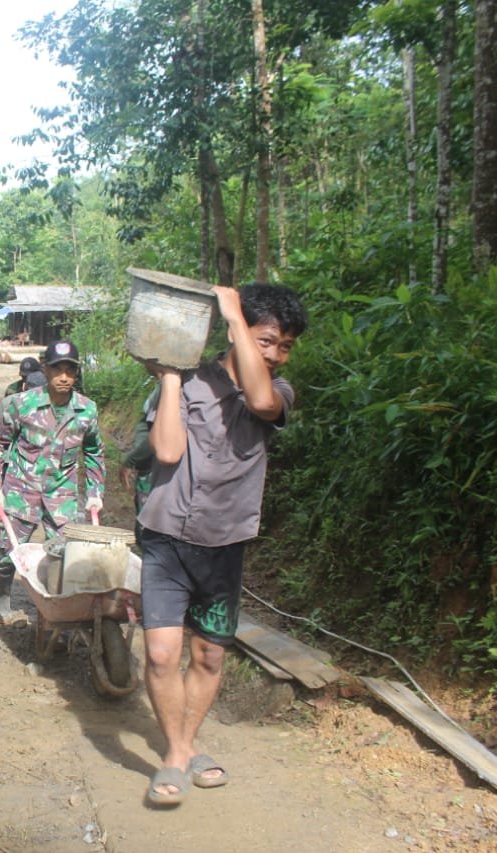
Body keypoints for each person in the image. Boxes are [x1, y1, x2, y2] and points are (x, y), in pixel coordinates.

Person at [137, 284, 307, 807]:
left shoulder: (281, 393)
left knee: (209, 655)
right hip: (167, 537)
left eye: (284, 346)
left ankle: (184, 748)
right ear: (238, 335)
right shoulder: (188, 380)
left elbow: (259, 399)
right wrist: (169, 376)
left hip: (225, 543)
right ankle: (176, 755)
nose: (275, 355)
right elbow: (166, 449)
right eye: (266, 341)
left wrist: (235, 318)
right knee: (163, 655)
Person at [0, 340, 105, 626]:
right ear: (45, 370)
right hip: (20, 490)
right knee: (7, 552)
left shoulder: (86, 410)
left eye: (70, 370)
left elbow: (95, 451)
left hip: (62, 495)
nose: (63, 376)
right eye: (57, 369)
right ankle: (2, 602)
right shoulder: (19, 404)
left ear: (77, 373)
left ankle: (55, 616)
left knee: (64, 555)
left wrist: (95, 492)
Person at [0, 371, 47, 546]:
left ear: (25, 386)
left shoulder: (12, 402)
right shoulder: (52, 409)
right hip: (28, 467)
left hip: (5, 458)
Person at [121, 386, 160, 542]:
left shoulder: (171, 385)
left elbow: (157, 437)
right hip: (149, 468)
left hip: (152, 472)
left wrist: (131, 460)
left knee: (149, 532)